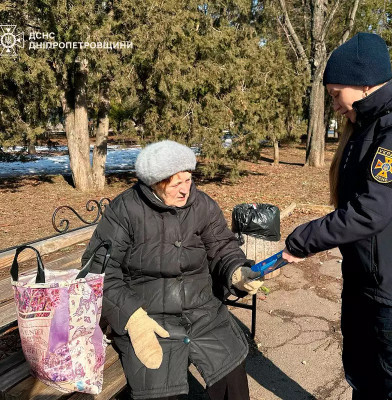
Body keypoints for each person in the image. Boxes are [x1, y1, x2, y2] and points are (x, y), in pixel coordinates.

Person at [282, 33, 392, 399]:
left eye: (335, 94)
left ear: (363, 82)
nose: (336, 106)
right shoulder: (372, 124)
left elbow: (368, 211)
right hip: (364, 282)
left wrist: (302, 239)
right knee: (365, 380)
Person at [81, 140, 263, 400]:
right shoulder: (125, 209)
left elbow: (222, 246)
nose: (185, 190)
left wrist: (236, 271)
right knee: (161, 389)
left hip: (204, 312)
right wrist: (133, 318)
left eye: (188, 180)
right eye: (176, 184)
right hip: (149, 316)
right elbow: (98, 270)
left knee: (231, 376)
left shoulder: (202, 204)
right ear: (155, 182)